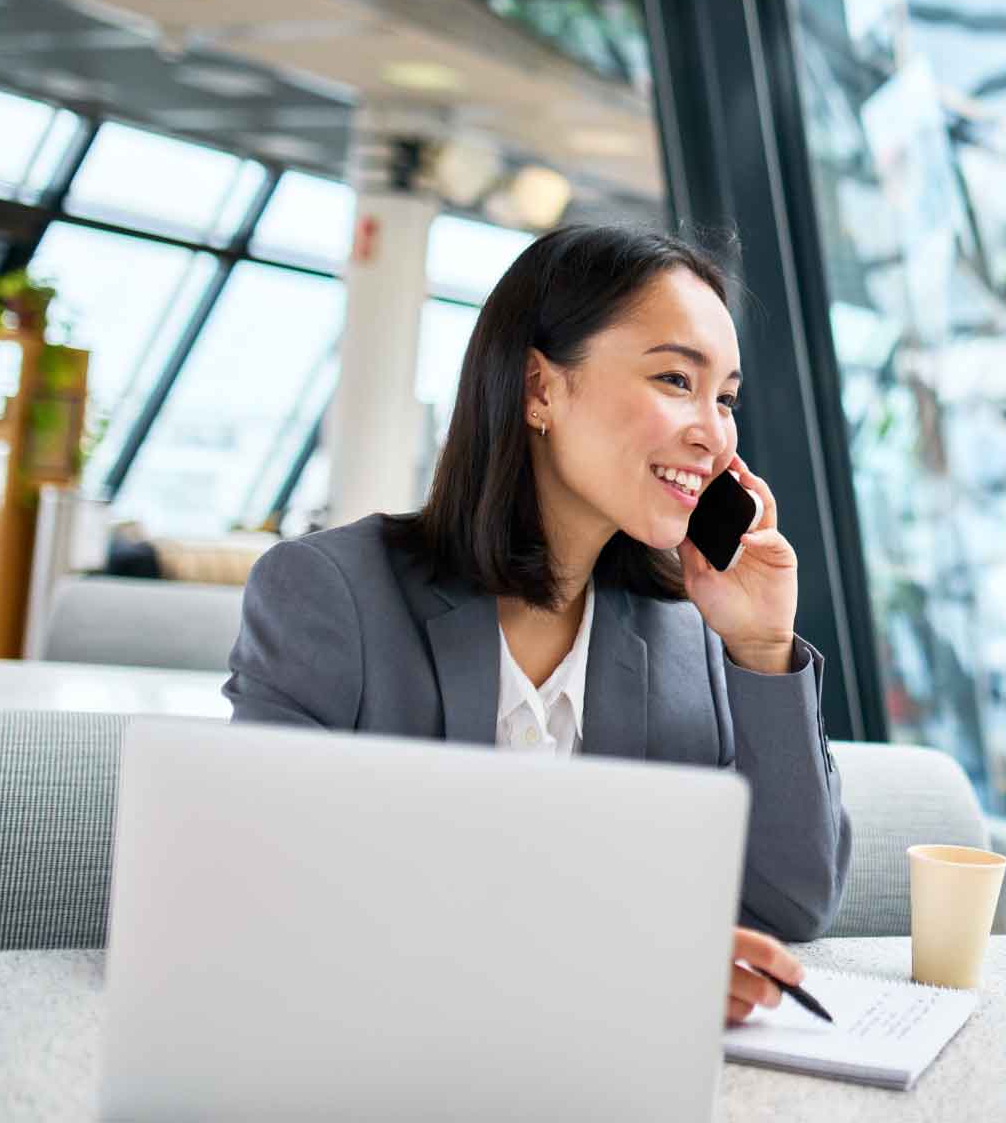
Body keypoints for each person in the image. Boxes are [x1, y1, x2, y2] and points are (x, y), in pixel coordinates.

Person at [224, 223, 849, 1026]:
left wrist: (760, 650)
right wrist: (621, 960)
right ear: (539, 389)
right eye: (674, 380)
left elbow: (788, 904)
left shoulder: (687, 635)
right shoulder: (329, 597)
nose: (713, 432)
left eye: (724, 397)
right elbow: (264, 902)